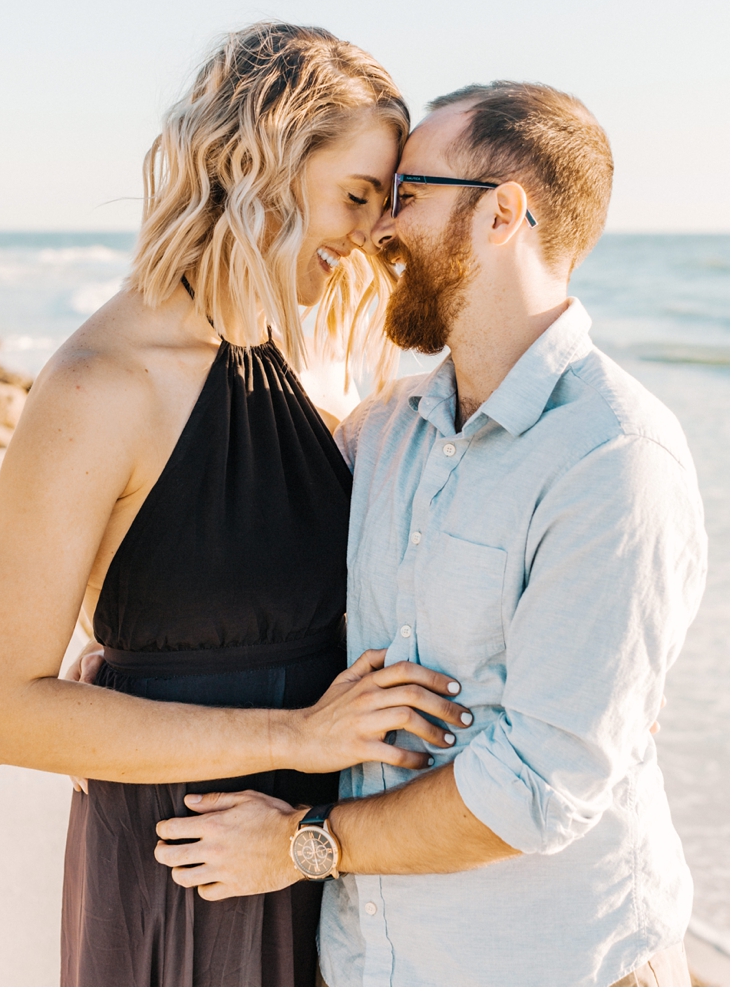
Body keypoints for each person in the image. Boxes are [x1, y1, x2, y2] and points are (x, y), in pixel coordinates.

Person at [153, 81, 707, 987]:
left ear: (502, 214)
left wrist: (298, 846)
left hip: (554, 966)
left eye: (408, 195)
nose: (379, 231)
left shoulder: (615, 461)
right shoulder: (386, 432)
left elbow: (536, 792)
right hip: (375, 964)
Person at [0, 22, 474, 988]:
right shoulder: (98, 386)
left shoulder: (271, 363)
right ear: (255, 167)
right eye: (356, 196)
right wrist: (297, 736)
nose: (371, 236)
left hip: (308, 847)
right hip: (189, 876)